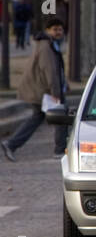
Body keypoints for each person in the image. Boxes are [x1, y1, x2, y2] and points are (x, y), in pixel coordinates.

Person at [2, 16, 67, 161]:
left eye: (60, 29)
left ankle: (11, 144)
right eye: (55, 29)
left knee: (37, 119)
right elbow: (49, 70)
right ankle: (59, 150)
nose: (58, 32)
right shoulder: (46, 46)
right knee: (61, 118)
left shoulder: (49, 44)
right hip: (43, 92)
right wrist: (55, 92)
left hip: (42, 90)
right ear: (47, 31)